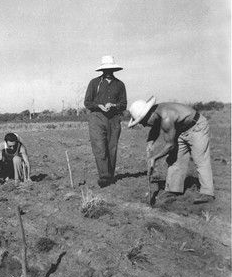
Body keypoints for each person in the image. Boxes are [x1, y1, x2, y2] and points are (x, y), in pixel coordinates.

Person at [128, 96, 215, 204]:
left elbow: (170, 145)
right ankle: (173, 190)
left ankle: (208, 193)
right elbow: (155, 126)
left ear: (149, 114)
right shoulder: (156, 113)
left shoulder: (166, 117)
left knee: (200, 160)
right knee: (175, 159)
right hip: (181, 129)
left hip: (197, 127)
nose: (144, 124)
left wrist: (154, 158)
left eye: (143, 121)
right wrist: (150, 140)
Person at [84, 55, 127, 188]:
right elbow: (87, 102)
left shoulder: (120, 84)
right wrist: (99, 106)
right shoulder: (94, 83)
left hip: (114, 119)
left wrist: (114, 106)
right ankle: (104, 176)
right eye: (106, 69)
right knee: (99, 148)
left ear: (113, 69)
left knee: (112, 148)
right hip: (96, 118)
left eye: (110, 69)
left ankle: (110, 175)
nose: (108, 71)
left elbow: (123, 104)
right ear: (102, 70)